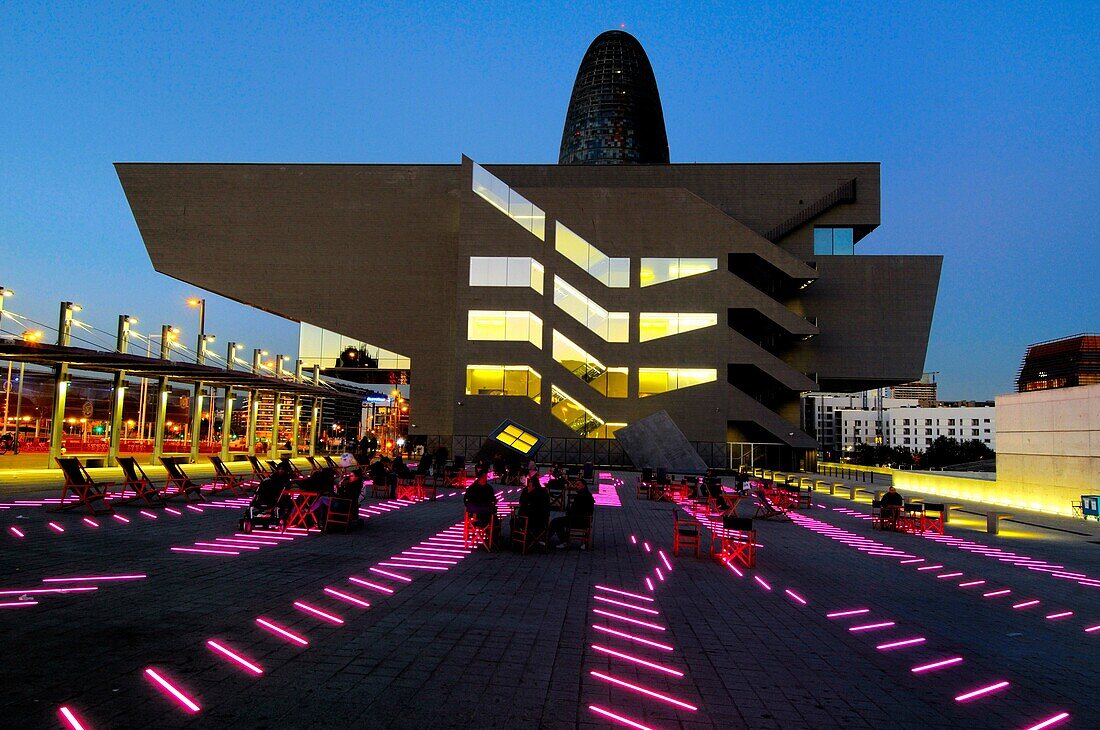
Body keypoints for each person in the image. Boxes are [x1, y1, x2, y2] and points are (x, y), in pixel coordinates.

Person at [547, 479, 595, 550]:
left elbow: (577, 509)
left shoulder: (582, 496)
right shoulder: (585, 494)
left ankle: (555, 540)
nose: (576, 486)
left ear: (583, 485)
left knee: (556, 522)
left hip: (579, 520)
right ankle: (548, 538)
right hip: (581, 519)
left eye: (578, 485)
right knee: (557, 521)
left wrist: (569, 512)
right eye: (576, 485)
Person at [515, 471, 551, 549]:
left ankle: (520, 542)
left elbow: (523, 504)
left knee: (515, 521)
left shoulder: (534, 494)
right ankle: (531, 538)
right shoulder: (543, 492)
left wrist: (529, 493)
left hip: (532, 520)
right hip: (542, 521)